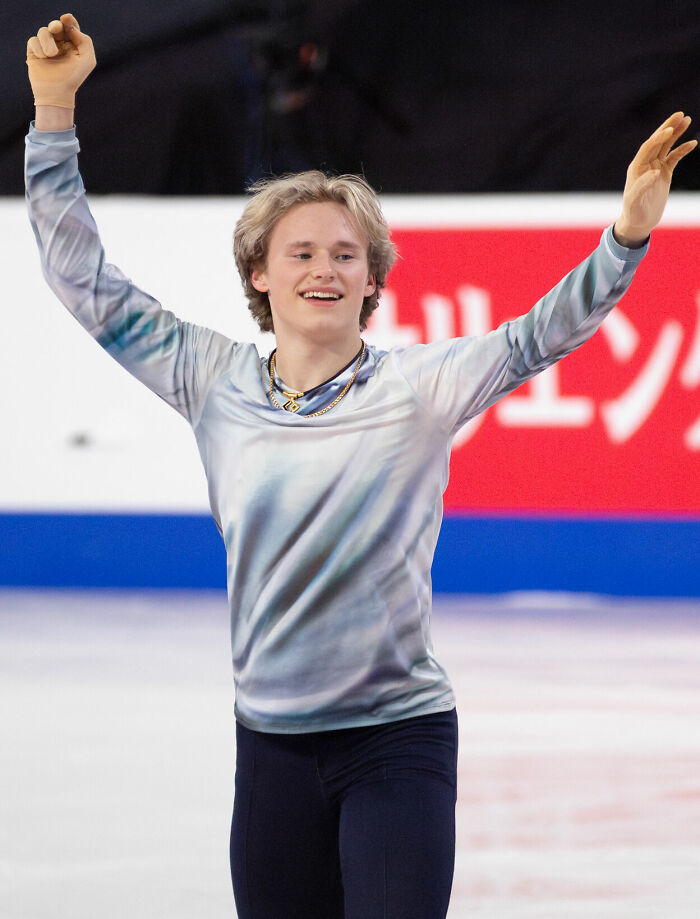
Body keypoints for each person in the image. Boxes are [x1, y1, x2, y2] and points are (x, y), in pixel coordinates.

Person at [25, 14, 696, 919]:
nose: (326, 269)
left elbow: (541, 335)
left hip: (397, 742)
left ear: (373, 279)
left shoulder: (419, 387)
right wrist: (54, 112)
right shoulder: (209, 378)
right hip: (269, 747)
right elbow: (82, 280)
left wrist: (624, 236)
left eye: (347, 254)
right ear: (259, 273)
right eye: (302, 253)